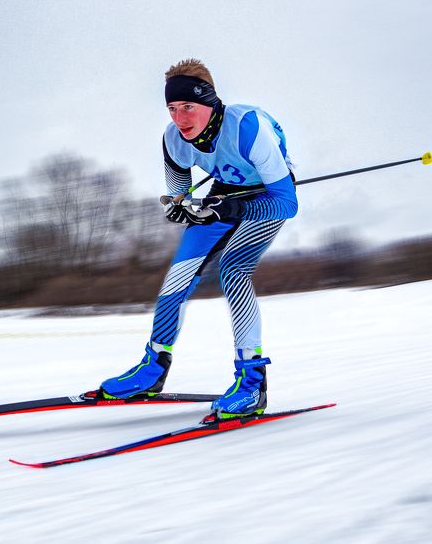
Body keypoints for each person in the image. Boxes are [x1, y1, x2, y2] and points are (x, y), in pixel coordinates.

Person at [99, 58, 298, 422]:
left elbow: (287, 203)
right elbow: (178, 193)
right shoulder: (173, 139)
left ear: (211, 102)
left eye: (188, 106)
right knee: (176, 279)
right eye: (172, 108)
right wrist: (180, 209)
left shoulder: (247, 128)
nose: (180, 118)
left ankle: (252, 382)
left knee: (232, 270)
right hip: (223, 196)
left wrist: (224, 211)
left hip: (266, 198)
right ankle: (153, 369)